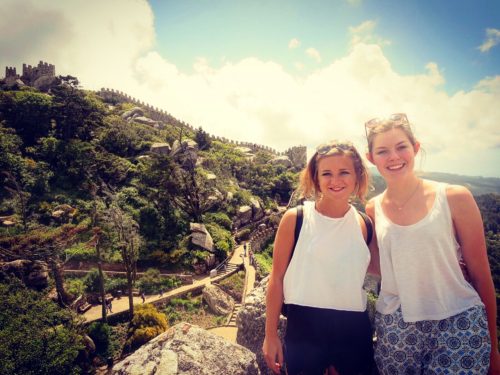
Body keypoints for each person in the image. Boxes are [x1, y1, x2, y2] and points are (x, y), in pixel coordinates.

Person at [364, 113, 499, 374]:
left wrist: (493, 348)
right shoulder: (372, 209)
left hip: (457, 320)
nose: (393, 156)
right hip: (397, 328)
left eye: (401, 146)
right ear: (370, 158)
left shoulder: (454, 197)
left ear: (415, 148)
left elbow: (482, 275)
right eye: (382, 151)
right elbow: (382, 267)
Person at [262, 141, 378, 375]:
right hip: (304, 329)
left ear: (358, 176)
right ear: (316, 178)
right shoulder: (296, 219)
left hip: (353, 330)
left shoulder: (365, 224)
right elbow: (276, 279)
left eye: (344, 172)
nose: (335, 180)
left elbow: (382, 270)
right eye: (327, 173)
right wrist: (270, 335)